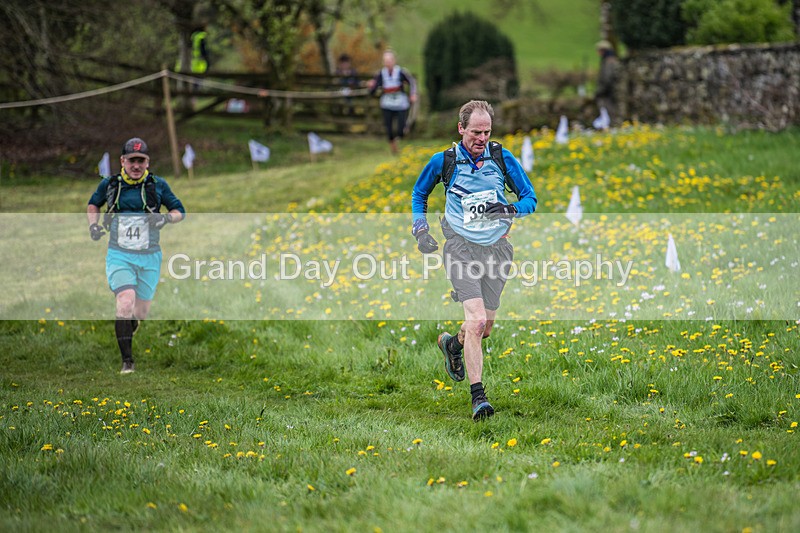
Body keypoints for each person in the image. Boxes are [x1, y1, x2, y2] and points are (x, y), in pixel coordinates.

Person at [411, 100, 537, 420]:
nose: (481, 138)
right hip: (460, 248)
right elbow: (419, 193)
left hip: (497, 250)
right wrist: (420, 228)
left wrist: (510, 210)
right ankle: (478, 398)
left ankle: (453, 345)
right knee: (477, 320)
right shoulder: (444, 161)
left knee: (485, 328)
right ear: (461, 129)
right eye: (475, 132)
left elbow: (530, 199)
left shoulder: (500, 158)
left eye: (487, 132)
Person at [87, 138, 185, 374]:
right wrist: (93, 226)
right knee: (125, 301)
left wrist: (165, 218)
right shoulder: (111, 185)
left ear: (147, 162)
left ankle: (131, 323)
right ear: (123, 161)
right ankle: (127, 362)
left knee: (140, 312)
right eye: (132, 160)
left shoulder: (158, 185)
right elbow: (93, 204)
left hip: (150, 256)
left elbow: (180, 211)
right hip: (119, 254)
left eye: (141, 161)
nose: (136, 165)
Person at [368, 50, 417, 155]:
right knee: (389, 128)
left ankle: (398, 139)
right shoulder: (380, 74)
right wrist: (371, 86)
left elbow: (412, 82)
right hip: (387, 103)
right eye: (386, 60)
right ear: (383, 62)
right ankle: (394, 148)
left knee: (401, 129)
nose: (388, 62)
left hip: (400, 103)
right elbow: (373, 91)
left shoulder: (401, 72)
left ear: (394, 61)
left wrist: (413, 94)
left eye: (390, 60)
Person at [595, 40, 620, 121]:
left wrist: (599, 91)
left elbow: (607, 78)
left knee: (608, 113)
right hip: (612, 92)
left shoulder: (609, 62)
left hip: (608, 93)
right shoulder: (612, 60)